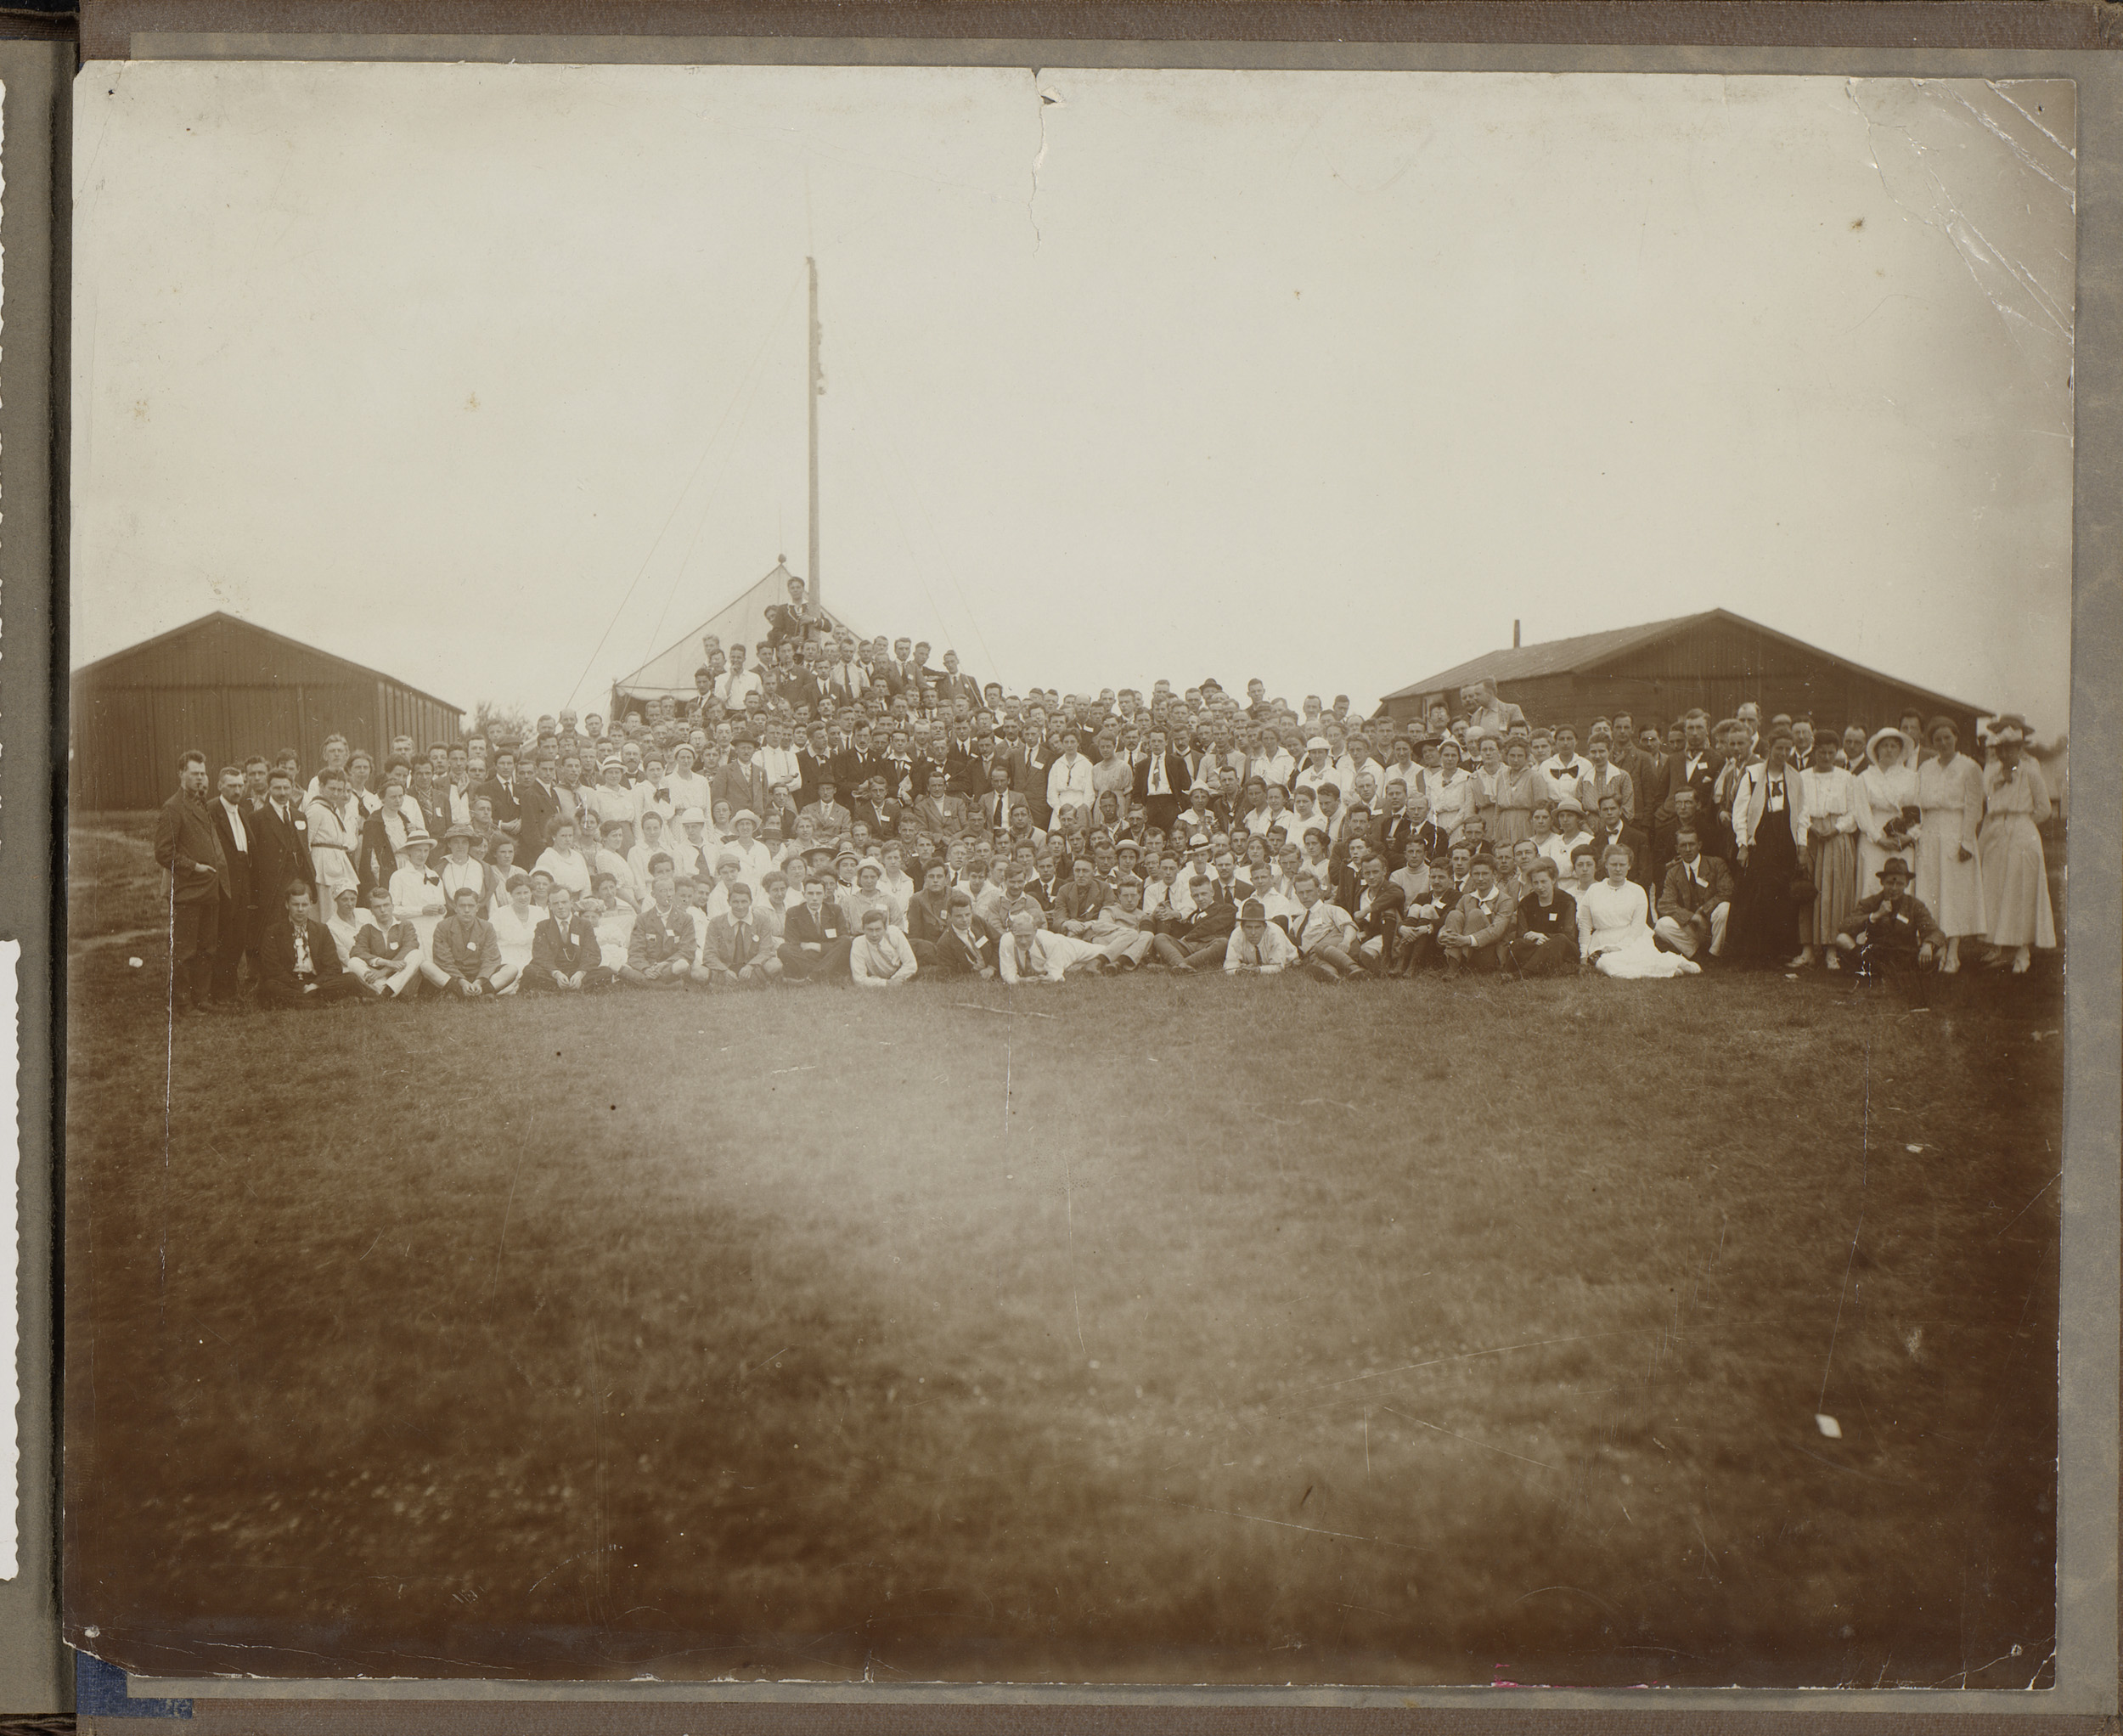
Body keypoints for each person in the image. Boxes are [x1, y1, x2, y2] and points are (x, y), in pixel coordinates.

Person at [1975, 714, 2056, 973]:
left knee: (2021, 890)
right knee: (1994, 888)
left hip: (2022, 832)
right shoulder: (1992, 774)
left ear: (2021, 749)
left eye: (2011, 748)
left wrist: (2022, 824)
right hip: (1995, 832)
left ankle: (2022, 949)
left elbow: (2044, 809)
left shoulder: (2031, 773)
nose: (2005, 753)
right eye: (2001, 749)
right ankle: (1995, 944)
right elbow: (1988, 807)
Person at [154, 748, 231, 1016]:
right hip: (188, 892)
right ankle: (182, 1003)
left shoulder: (201, 803)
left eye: (202, 773)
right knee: (185, 950)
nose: (200, 778)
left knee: (207, 948)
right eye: (194, 773)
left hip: (210, 890)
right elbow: (164, 852)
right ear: (181, 774)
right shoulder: (173, 808)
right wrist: (194, 867)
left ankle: (201, 998)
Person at [1726, 724, 1809, 968]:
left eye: (1787, 749)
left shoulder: (1795, 777)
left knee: (1781, 897)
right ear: (1769, 748)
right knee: (1756, 896)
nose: (1783, 753)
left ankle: (1777, 953)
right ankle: (1751, 955)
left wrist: (1802, 846)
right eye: (1779, 748)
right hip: (1759, 842)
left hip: (1785, 843)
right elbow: (1739, 813)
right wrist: (1743, 845)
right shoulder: (1752, 775)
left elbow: (1802, 814)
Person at [1913, 716, 1986, 972]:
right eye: (1937, 739)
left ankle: (1953, 950)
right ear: (1932, 742)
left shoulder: (1970, 767)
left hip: (1956, 832)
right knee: (1931, 889)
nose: (1943, 743)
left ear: (1956, 737)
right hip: (1930, 832)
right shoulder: (1925, 768)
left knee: (1954, 892)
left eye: (1947, 737)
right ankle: (1937, 943)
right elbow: (1918, 804)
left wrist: (1966, 841)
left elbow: (1974, 807)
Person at [1579, 843, 1701, 978]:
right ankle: (1665, 970)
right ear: (1606, 865)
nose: (1618, 869)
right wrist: (1583, 954)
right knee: (1607, 963)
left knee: (1636, 957)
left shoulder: (1637, 891)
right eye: (1613, 864)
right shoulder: (1594, 890)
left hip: (1633, 940)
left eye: (1622, 865)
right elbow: (1585, 925)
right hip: (1602, 942)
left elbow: (1637, 927)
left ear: (1629, 866)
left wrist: (1619, 947)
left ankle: (1673, 963)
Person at [1798, 734, 1861, 970]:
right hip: (1810, 836)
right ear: (1814, 751)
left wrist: (1836, 829)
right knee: (1807, 891)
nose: (1826, 757)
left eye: (1831, 752)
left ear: (1837, 752)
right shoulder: (1802, 777)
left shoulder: (1847, 778)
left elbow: (1854, 812)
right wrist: (1810, 827)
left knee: (1834, 892)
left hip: (1837, 837)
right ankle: (1808, 949)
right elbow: (1799, 809)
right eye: (1821, 752)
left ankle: (1832, 950)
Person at [256, 881, 368, 1007]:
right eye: (295, 904)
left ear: (310, 905)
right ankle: (319, 1003)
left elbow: (333, 966)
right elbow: (272, 969)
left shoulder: (321, 930)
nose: (300, 909)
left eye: (304, 905)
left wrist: (315, 985)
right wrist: (302, 987)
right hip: (290, 983)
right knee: (270, 987)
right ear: (287, 905)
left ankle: (306, 1002)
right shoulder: (274, 931)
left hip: (318, 983)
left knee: (351, 979)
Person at [1833, 856, 1942, 976]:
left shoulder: (1915, 905)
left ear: (1907, 884)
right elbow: (1845, 926)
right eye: (1890, 883)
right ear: (1882, 882)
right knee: (1842, 939)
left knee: (1939, 950)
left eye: (1900, 884)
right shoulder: (1871, 902)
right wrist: (1875, 916)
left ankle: (1889, 973)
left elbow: (1935, 932)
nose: (1894, 888)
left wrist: (1928, 944)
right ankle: (1877, 970)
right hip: (1875, 956)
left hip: (1905, 956)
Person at [1853, 725, 1922, 900]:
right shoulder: (1865, 777)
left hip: (1902, 838)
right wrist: (1879, 839)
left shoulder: (1913, 777)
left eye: (1894, 746)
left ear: (1901, 749)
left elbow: (1918, 810)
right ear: (1877, 749)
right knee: (1873, 884)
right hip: (1873, 837)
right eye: (1885, 745)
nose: (1889, 750)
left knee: (1902, 884)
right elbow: (1862, 812)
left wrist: (1909, 837)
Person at [206, 764, 255, 1007]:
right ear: (220, 786)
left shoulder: (242, 811)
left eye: (240, 785)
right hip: (223, 881)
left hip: (243, 880)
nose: (237, 790)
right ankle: (219, 990)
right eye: (232, 786)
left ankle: (231, 987)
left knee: (239, 936)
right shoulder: (211, 810)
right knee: (223, 936)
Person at [1654, 826, 1735, 962]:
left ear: (1699, 845)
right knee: (1662, 925)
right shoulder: (1673, 873)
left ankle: (1714, 954)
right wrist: (1693, 917)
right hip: (1691, 926)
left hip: (1712, 923)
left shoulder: (1716, 864)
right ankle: (1696, 954)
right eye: (1683, 845)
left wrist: (1703, 911)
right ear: (1677, 848)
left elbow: (1727, 891)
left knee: (1724, 908)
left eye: (1691, 844)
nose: (1688, 849)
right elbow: (1665, 904)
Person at [523, 884, 617, 992]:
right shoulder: (543, 926)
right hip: (554, 972)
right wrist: (556, 974)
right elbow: (540, 955)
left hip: (577, 970)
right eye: (556, 903)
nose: (560, 907)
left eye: (564, 902)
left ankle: (557, 990)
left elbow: (592, 953)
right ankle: (573, 988)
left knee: (606, 971)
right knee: (530, 970)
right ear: (550, 906)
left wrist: (580, 974)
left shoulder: (584, 925)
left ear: (571, 903)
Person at [431, 884, 517, 998]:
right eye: (462, 906)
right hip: (455, 976)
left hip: (480, 975)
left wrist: (479, 981)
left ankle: (478, 991)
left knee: (511, 969)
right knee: (426, 966)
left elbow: (491, 959)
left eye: (471, 906)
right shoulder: (443, 927)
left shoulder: (487, 927)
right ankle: (465, 991)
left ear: (477, 908)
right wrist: (462, 981)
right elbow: (444, 960)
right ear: (455, 907)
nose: (466, 910)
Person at [1439, 849, 1515, 975]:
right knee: (1454, 914)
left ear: (1494, 875)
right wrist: (1442, 934)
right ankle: (1454, 966)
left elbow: (1496, 932)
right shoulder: (1466, 898)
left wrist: (1466, 940)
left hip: (1489, 953)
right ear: (1471, 875)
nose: (1480, 878)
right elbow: (1452, 922)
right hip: (1465, 946)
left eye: (1485, 874)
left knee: (1476, 914)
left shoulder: (1504, 900)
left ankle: (1455, 967)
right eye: (1476, 874)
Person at [626, 870, 704, 989]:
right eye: (663, 891)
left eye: (671, 890)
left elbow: (687, 950)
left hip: (672, 966)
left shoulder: (686, 918)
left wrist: (666, 963)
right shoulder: (643, 919)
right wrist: (646, 968)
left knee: (682, 965)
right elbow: (635, 951)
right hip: (650, 966)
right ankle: (664, 984)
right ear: (653, 894)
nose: (669, 895)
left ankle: (647, 982)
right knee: (617, 965)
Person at [350, 883, 430, 998]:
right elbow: (357, 951)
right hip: (379, 978)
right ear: (371, 910)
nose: (383, 910)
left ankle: (389, 990)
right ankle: (385, 990)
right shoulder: (367, 929)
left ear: (392, 907)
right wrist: (385, 962)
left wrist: (384, 971)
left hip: (401, 975)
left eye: (386, 905)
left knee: (417, 954)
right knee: (353, 962)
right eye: (377, 907)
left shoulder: (405, 925)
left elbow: (410, 947)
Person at [1000, 902, 1107, 982]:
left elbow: (1056, 974)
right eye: (1019, 936)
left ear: (1035, 931)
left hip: (1069, 948)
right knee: (1076, 968)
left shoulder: (1049, 941)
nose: (1023, 941)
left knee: (1105, 952)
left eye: (1027, 936)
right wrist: (1022, 981)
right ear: (1012, 933)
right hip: (1064, 960)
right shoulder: (1006, 940)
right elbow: (1007, 973)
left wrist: (1050, 978)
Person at [780, 874, 855, 984]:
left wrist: (818, 947)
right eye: (810, 893)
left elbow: (843, 939)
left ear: (825, 895)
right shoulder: (793, 913)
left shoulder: (835, 910)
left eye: (819, 893)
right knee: (784, 948)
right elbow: (793, 943)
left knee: (846, 941)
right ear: (804, 894)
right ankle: (825, 975)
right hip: (807, 958)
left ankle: (813, 977)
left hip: (830, 955)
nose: (815, 898)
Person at [1509, 857, 1579, 976]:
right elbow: (1521, 934)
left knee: (1560, 940)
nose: (1540, 887)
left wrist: (1544, 936)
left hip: (1560, 946)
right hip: (1535, 944)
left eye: (1544, 881)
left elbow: (1569, 935)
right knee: (1518, 944)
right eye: (1535, 883)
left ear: (1553, 880)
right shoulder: (1526, 902)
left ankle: (1524, 973)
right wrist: (1536, 939)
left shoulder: (1566, 900)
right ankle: (1543, 967)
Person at [488, 871, 543, 990]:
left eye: (526, 892)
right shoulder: (500, 914)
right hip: (506, 957)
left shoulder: (539, 913)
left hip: (531, 957)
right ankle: (491, 989)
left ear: (531, 893)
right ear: (511, 894)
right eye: (518, 893)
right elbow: (489, 940)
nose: (523, 897)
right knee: (509, 973)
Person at [850, 906, 920, 987]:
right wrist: (886, 983)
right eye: (870, 930)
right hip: (883, 977)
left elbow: (911, 965)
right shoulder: (858, 943)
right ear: (863, 929)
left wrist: (894, 980)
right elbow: (859, 979)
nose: (874, 934)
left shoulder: (894, 933)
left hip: (907, 964)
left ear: (885, 928)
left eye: (878, 929)